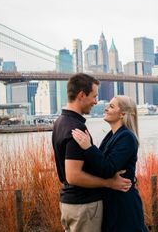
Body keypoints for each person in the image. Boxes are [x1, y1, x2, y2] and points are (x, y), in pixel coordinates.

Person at [52, 73, 132, 232]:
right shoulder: (76, 128)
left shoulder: (60, 122)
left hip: (69, 203)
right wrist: (109, 183)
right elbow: (73, 176)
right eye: (94, 96)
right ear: (81, 95)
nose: (96, 102)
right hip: (83, 205)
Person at [72, 95, 148, 232]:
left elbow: (107, 168)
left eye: (111, 106)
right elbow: (102, 167)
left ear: (122, 114)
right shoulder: (112, 135)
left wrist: (88, 147)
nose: (106, 108)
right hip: (113, 202)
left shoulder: (127, 137)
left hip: (123, 205)